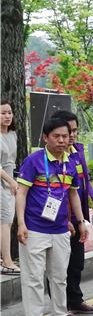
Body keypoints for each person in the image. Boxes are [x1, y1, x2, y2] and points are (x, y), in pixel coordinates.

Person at [16, 118, 89, 316]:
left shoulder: (71, 162)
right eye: (56, 136)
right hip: (35, 228)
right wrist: (21, 224)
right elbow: (21, 193)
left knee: (59, 276)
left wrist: (80, 221)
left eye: (65, 136)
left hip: (60, 229)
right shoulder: (34, 161)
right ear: (45, 138)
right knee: (34, 277)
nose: (61, 140)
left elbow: (73, 194)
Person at [51, 110, 93, 314]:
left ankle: (75, 300)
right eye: (68, 131)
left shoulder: (78, 151)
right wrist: (63, 218)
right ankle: (61, 305)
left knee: (76, 262)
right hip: (59, 219)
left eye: (74, 131)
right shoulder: (51, 158)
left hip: (79, 216)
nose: (71, 135)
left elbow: (85, 182)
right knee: (59, 264)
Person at [0, 101, 19, 275]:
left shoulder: (12, 134)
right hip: (2, 183)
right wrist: (10, 181)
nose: (7, 116)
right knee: (5, 222)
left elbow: (10, 162)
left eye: (9, 112)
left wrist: (14, 181)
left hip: (10, 182)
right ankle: (7, 261)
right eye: (3, 113)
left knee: (7, 221)